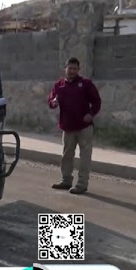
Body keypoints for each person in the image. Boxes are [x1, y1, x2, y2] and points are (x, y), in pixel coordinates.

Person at [48, 57, 102, 194]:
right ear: (65, 68)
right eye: (70, 68)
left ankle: (82, 184)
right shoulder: (59, 85)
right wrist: (53, 103)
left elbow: (97, 102)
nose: (72, 71)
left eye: (75, 69)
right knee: (67, 156)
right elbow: (51, 101)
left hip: (84, 127)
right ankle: (66, 181)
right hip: (67, 127)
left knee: (85, 157)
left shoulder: (85, 84)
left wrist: (91, 114)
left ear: (79, 70)